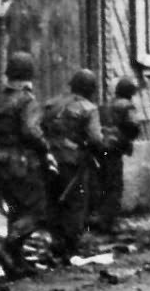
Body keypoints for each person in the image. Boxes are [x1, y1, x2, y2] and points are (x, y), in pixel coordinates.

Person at [0, 52, 52, 278]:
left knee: (15, 209)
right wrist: (45, 148)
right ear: (28, 75)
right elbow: (30, 131)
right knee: (36, 210)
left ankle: (15, 263)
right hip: (22, 161)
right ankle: (9, 245)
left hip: (0, 161)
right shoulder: (27, 101)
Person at [42, 68, 111, 263]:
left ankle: (55, 242)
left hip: (49, 159)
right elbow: (95, 138)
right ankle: (70, 247)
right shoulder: (88, 108)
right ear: (90, 89)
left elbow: (40, 128)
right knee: (76, 203)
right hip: (73, 161)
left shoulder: (52, 104)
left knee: (53, 201)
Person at [92, 76, 142, 235]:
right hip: (114, 149)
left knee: (102, 183)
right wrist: (127, 138)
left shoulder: (107, 104)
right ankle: (107, 223)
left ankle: (98, 218)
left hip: (101, 147)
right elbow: (133, 125)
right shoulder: (127, 106)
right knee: (114, 185)